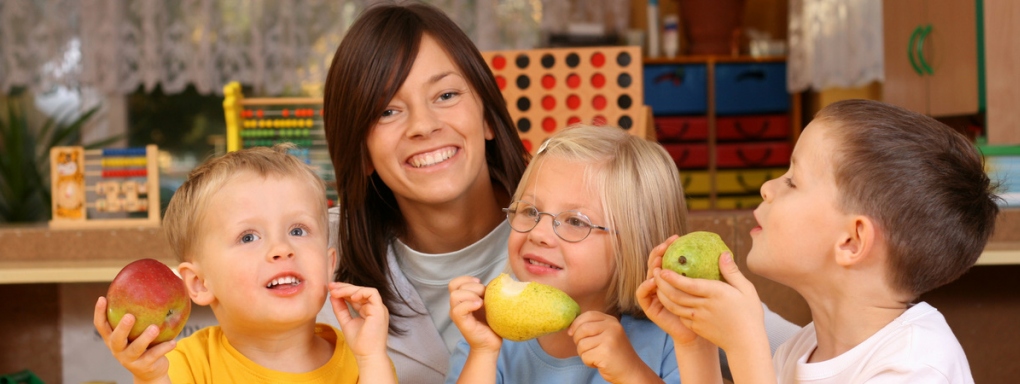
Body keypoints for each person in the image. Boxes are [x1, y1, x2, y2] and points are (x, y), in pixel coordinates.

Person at [318, 2, 800, 383]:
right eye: (386, 110)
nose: (424, 126)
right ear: (358, 149)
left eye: (446, 95)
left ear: (487, 114)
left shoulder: (577, 193)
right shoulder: (317, 257)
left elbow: (774, 342)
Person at [639, 99, 1000, 383]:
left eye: (793, 181)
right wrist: (694, 343)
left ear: (851, 241)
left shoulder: (916, 367)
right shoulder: (799, 353)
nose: (767, 188)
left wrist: (745, 345)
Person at [93, 144, 396, 383]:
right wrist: (149, 377)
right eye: (249, 237)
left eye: (298, 230)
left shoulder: (360, 361)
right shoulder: (183, 365)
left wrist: (373, 358)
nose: (281, 248)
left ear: (329, 264)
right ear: (199, 283)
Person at [446, 125, 686, 383]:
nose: (538, 234)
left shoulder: (674, 340)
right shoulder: (488, 338)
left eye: (575, 221)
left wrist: (633, 374)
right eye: (530, 211)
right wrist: (483, 351)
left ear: (636, 243)